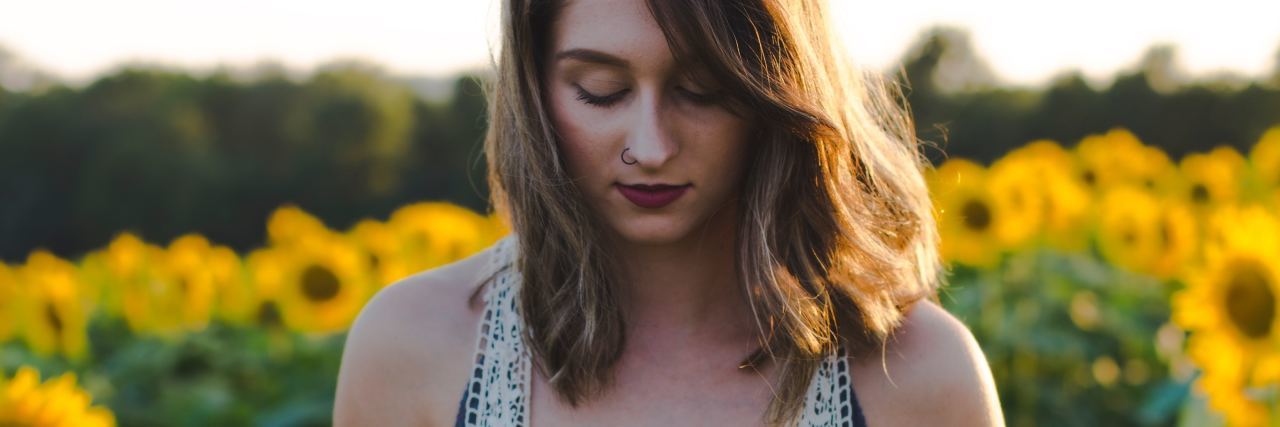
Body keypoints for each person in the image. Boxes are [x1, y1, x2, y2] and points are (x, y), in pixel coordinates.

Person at [334, 0, 1004, 425]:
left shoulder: (920, 374)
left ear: (777, 94)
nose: (650, 148)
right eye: (601, 91)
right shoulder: (412, 346)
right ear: (535, 93)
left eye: (702, 90)